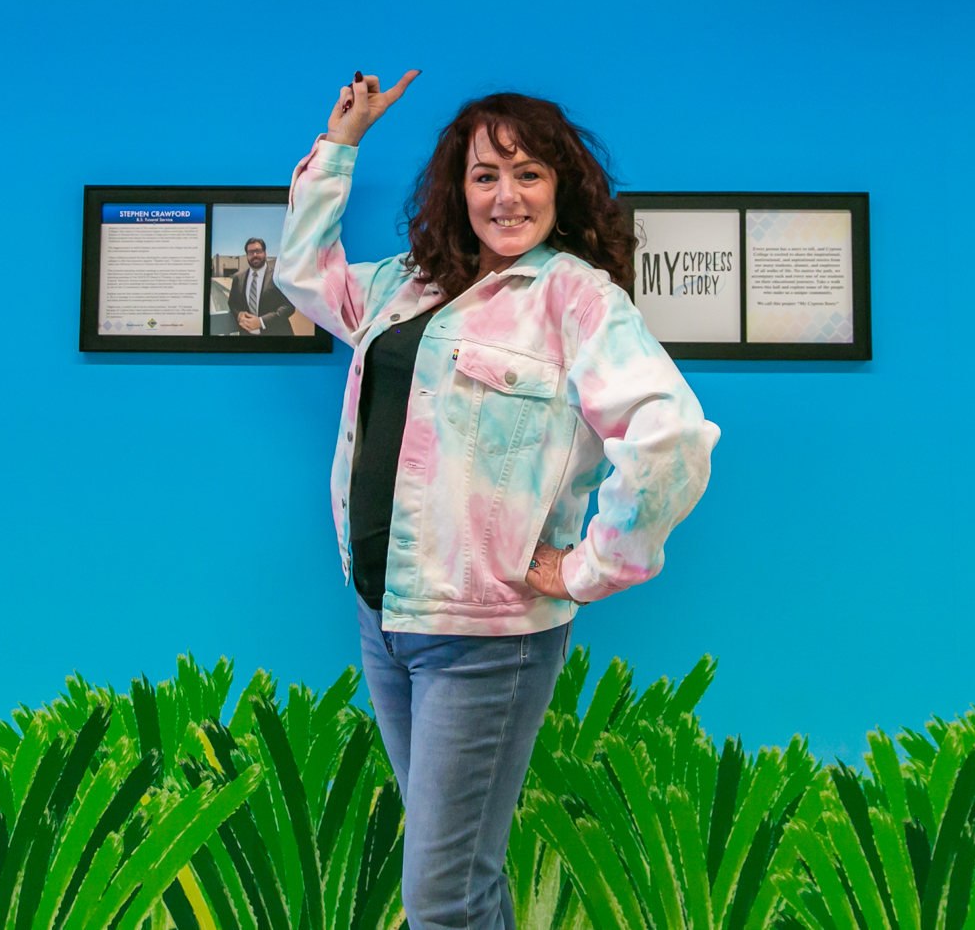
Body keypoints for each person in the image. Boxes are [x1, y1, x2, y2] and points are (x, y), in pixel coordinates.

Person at [275, 73, 718, 930]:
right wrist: (341, 145)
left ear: (562, 187)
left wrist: (591, 567)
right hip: (385, 616)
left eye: (528, 174)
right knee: (464, 878)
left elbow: (670, 438)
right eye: (486, 176)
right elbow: (304, 274)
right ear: (458, 188)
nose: (506, 195)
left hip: (485, 640)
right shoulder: (410, 282)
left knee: (441, 896)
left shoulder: (576, 298)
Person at [228, 236, 295, 335]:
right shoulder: (238, 278)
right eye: (250, 252)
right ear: (247, 255)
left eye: (258, 251)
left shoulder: (278, 276)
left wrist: (261, 322)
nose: (255, 255)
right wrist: (239, 315)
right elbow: (232, 303)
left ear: (265, 253)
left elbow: (289, 306)